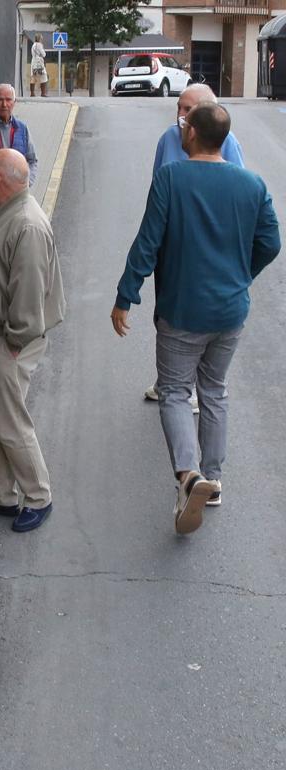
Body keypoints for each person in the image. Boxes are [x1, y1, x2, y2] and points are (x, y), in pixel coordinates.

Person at [111, 102, 279, 534]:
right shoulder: (252, 184)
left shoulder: (172, 177)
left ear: (190, 134)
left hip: (182, 309)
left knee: (173, 392)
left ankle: (188, 476)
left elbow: (147, 242)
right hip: (230, 310)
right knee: (215, 391)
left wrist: (125, 296)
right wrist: (243, 273)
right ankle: (215, 478)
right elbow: (271, 243)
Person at [0, 149, 65, 533]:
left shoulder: (27, 223)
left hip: (8, 341)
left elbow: (29, 290)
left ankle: (39, 496)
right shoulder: (11, 210)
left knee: (11, 424)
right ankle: (0, 495)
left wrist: (14, 341)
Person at [143, 83, 245, 404]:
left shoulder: (227, 144)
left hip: (207, 254)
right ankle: (168, 380)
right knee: (166, 316)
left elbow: (237, 200)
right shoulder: (167, 139)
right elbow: (155, 190)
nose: (180, 116)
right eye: (179, 108)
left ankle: (196, 392)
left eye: (188, 110)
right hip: (171, 254)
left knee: (200, 320)